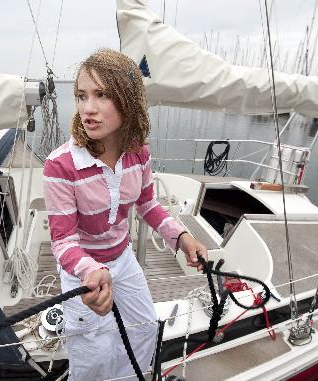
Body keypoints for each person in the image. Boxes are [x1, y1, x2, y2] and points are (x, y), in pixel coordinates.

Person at [43, 48, 208, 381]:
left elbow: (147, 204)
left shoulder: (139, 154)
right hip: (83, 273)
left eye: (101, 95)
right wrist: (90, 270)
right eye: (81, 96)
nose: (87, 109)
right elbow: (63, 240)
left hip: (123, 259)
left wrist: (182, 237)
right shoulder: (60, 166)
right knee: (93, 352)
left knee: (144, 328)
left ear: (128, 99)